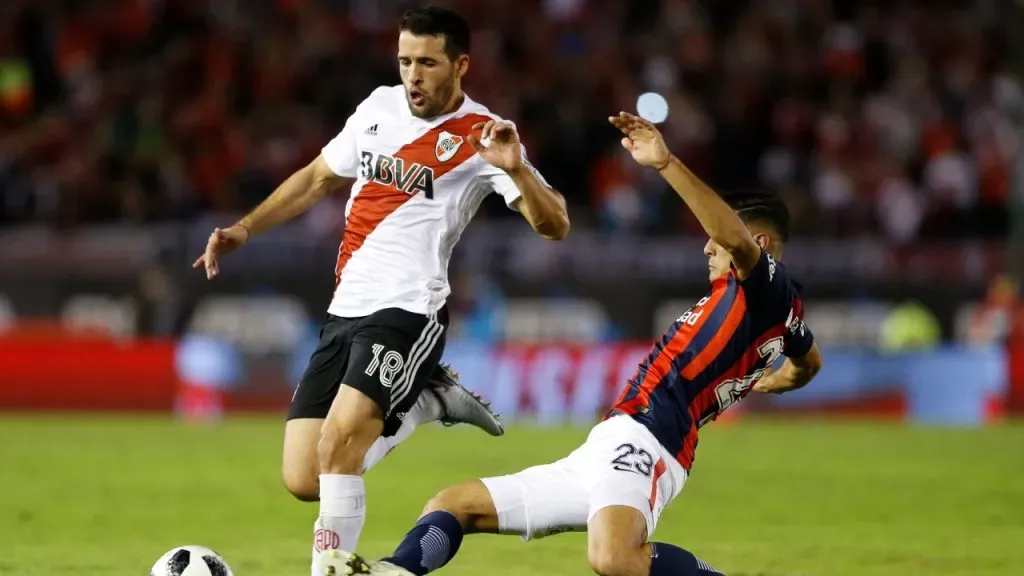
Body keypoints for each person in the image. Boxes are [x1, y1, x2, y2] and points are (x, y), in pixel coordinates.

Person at [322, 112, 823, 576]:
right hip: (608, 444)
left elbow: (731, 237)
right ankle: (397, 571)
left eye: (723, 237)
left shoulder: (765, 286)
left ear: (761, 245)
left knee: (614, 558)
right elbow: (809, 363)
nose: (708, 244)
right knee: (453, 504)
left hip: (652, 443)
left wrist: (666, 163)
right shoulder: (785, 315)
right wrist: (767, 379)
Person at [191, 6, 570, 576]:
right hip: (347, 307)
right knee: (304, 477)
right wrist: (246, 227)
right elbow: (318, 177)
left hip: (410, 309)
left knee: (342, 443)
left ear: (461, 65)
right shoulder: (378, 106)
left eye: (427, 62)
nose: (413, 75)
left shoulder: (482, 135)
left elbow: (556, 224)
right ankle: (425, 403)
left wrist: (517, 172)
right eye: (405, 61)